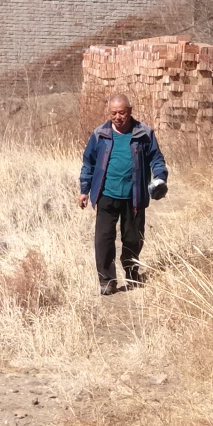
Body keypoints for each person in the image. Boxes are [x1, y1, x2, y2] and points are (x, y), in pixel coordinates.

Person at [78, 95, 168, 295]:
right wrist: (84, 190)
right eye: (113, 113)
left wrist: (160, 177)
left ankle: (131, 271)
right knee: (104, 239)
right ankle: (107, 280)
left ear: (130, 110)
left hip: (133, 196)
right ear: (109, 113)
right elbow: (88, 162)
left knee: (133, 237)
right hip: (106, 194)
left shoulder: (144, 134)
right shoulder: (100, 134)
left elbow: (156, 159)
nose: (118, 117)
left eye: (122, 112)